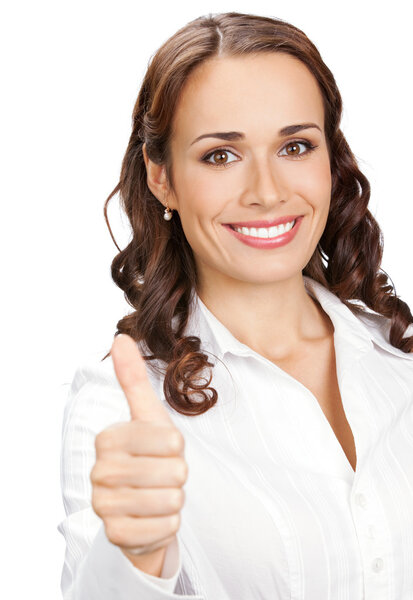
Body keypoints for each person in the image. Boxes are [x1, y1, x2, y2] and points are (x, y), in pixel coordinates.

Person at [57, 11, 413, 600]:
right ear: (161, 178)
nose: (268, 191)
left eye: (296, 146)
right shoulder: (120, 403)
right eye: (221, 155)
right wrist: (138, 557)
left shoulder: (398, 354)